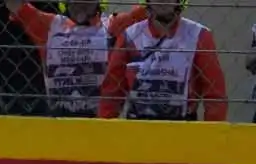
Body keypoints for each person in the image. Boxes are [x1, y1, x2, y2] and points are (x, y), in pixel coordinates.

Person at [4, 0, 149, 116]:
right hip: (60, 118)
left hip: (102, 119)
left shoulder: (113, 24)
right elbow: (15, 4)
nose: (80, 3)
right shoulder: (50, 25)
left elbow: (151, 8)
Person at [97, 0, 227, 120]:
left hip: (184, 128)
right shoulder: (130, 36)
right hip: (138, 127)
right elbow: (112, 92)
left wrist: (213, 136)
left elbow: (215, 94)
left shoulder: (199, 35)